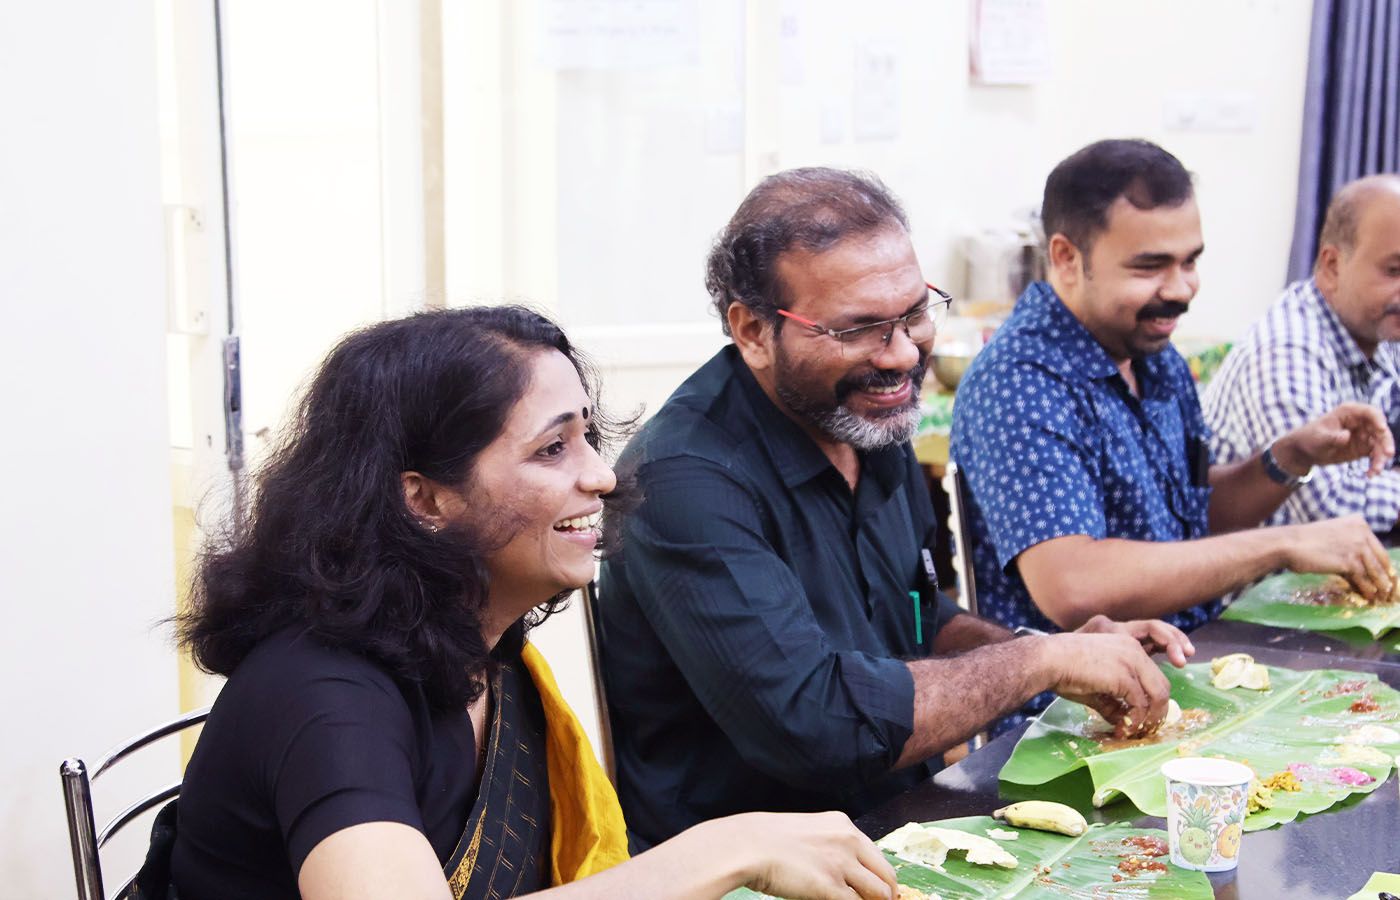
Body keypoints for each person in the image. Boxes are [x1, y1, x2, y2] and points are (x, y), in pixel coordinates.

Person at [167, 306, 901, 900]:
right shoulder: (325, 694)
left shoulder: (485, 652)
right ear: (424, 499)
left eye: (588, 437)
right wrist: (728, 847)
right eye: (553, 449)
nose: (603, 477)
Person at [598, 167, 1194, 850]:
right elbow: (817, 728)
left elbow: (915, 614)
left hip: (901, 821)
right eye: (861, 328)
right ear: (753, 331)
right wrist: (1041, 663)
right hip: (754, 865)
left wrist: (1065, 654)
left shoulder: (863, 419)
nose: (904, 353)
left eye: (914, 314)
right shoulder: (682, 481)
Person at [950, 140, 1395, 657]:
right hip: (1074, 694)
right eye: (1150, 266)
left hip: (1190, 658)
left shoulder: (1152, 355)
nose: (1182, 289)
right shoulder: (1020, 380)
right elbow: (1073, 585)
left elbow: (1190, 520)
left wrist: (1289, 458)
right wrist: (1284, 543)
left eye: (1190, 261)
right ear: (1067, 258)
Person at [1203, 174, 1400, 531]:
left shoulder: (1382, 332)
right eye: (1394, 270)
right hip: (1263, 567)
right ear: (1332, 266)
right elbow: (1328, 507)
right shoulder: (1286, 348)